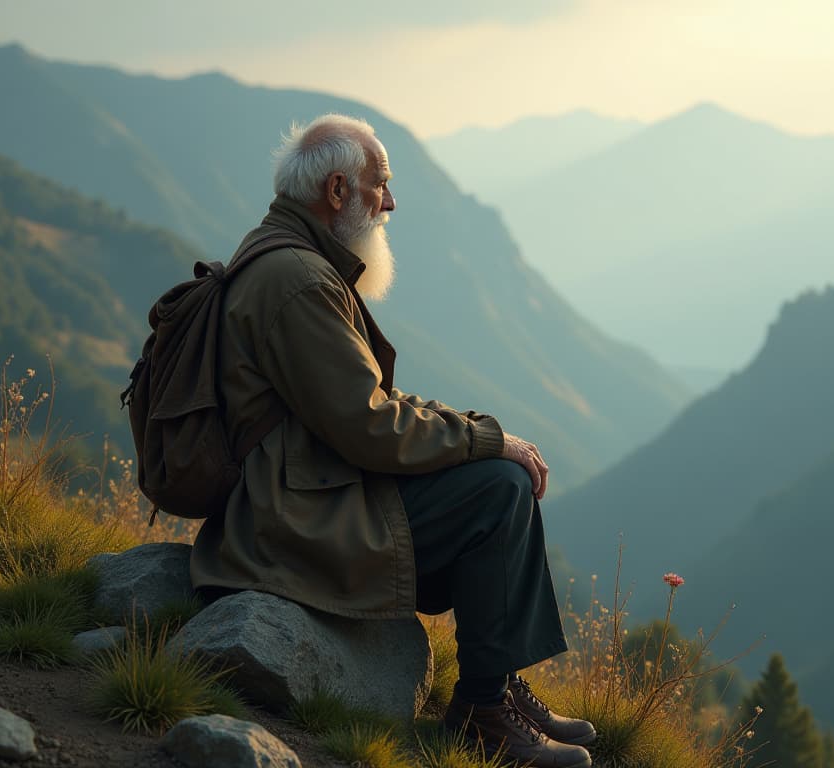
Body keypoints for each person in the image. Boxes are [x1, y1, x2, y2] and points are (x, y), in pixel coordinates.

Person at [189, 113, 595, 768]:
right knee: (497, 490)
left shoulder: (294, 259)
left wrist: (482, 433)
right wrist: (490, 443)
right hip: (297, 518)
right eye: (382, 184)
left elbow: (367, 401)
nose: (392, 201)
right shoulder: (299, 282)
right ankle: (484, 714)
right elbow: (371, 425)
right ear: (338, 190)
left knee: (496, 473)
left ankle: (499, 689)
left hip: (312, 489)